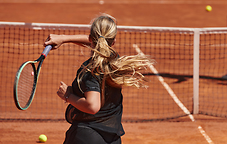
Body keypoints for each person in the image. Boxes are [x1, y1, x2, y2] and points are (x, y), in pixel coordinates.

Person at [44, 14, 154, 144]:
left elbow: (92, 106)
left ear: (91, 38)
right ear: (113, 42)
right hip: (112, 138)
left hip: (85, 136)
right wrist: (64, 39)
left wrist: (68, 95)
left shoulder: (91, 70)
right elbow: (100, 42)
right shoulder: (115, 62)